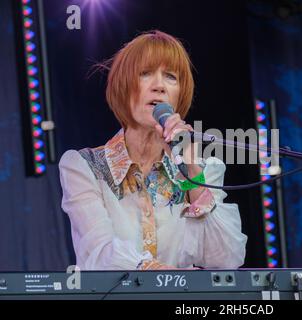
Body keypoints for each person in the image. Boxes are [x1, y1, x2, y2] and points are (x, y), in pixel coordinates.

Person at [59, 30, 247, 270]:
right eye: (146, 74)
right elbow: (101, 253)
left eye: (170, 77)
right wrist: (166, 278)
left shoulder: (202, 171)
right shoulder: (83, 166)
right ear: (124, 88)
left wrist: (191, 170)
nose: (159, 86)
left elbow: (224, 259)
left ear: (180, 95)